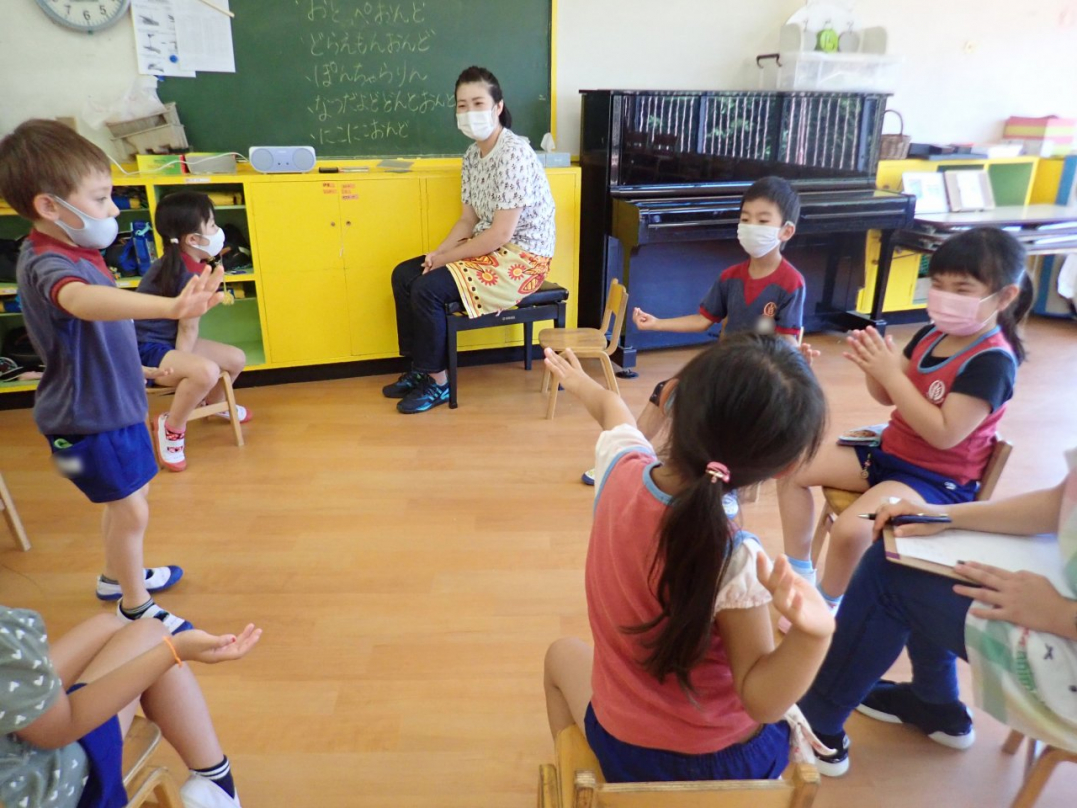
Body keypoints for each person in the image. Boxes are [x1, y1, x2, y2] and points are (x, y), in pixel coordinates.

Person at [542, 334, 836, 783]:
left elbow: (611, 408)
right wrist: (814, 637)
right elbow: (761, 700)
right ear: (784, 468)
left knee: (560, 655)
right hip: (728, 764)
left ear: (672, 398)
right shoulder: (738, 557)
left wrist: (580, 382)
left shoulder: (618, 468)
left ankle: (586, 782)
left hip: (626, 749)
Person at [0, 120, 226, 632]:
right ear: (49, 206)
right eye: (101, 199)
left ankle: (115, 576)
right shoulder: (46, 262)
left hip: (115, 407)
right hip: (86, 421)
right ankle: (135, 605)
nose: (115, 210)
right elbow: (80, 302)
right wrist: (171, 307)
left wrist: (139, 366)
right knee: (131, 511)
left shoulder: (78, 251)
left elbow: (101, 328)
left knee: (132, 500)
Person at [777, 227, 1033, 616]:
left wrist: (892, 375)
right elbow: (887, 395)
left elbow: (944, 434)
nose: (945, 296)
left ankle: (825, 606)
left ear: (1005, 296)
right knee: (791, 468)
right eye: (939, 284)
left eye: (962, 289)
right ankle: (800, 575)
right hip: (892, 452)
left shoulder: (992, 362)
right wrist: (874, 367)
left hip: (935, 479)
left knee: (849, 530)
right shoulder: (933, 333)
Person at [799, 450, 1077, 777]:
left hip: (1063, 636)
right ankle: (935, 702)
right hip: (1058, 584)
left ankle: (814, 724)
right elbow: (1062, 503)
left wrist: (1059, 613)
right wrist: (944, 516)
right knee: (919, 554)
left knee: (889, 574)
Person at [581, 175, 814, 488]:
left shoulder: (791, 282)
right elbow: (704, 319)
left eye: (762, 221)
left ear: (786, 230)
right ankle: (623, 458)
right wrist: (657, 323)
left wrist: (798, 360)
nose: (751, 227)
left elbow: (787, 341)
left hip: (758, 380)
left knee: (708, 415)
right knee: (665, 391)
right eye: (745, 219)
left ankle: (697, 473)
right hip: (725, 368)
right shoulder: (730, 276)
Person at [384, 65, 556, 414]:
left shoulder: (514, 153)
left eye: (478, 103)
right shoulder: (472, 156)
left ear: (498, 107)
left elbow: (502, 233)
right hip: (489, 247)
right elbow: (469, 219)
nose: (469, 112)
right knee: (405, 274)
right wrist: (438, 253)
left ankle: (439, 383)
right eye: (462, 105)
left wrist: (446, 260)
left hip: (521, 259)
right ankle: (421, 368)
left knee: (427, 289)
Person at [0, 605, 261, 808]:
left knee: (109, 627)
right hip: (41, 789)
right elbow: (60, 730)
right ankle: (217, 785)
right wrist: (174, 651)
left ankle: (216, 783)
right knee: (151, 635)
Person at [136, 191, 251, 472]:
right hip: (148, 351)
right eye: (211, 225)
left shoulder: (181, 261)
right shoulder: (189, 274)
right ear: (192, 239)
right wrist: (185, 366)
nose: (218, 231)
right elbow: (188, 328)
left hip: (167, 340)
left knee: (235, 359)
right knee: (206, 372)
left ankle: (214, 404)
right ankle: (172, 427)